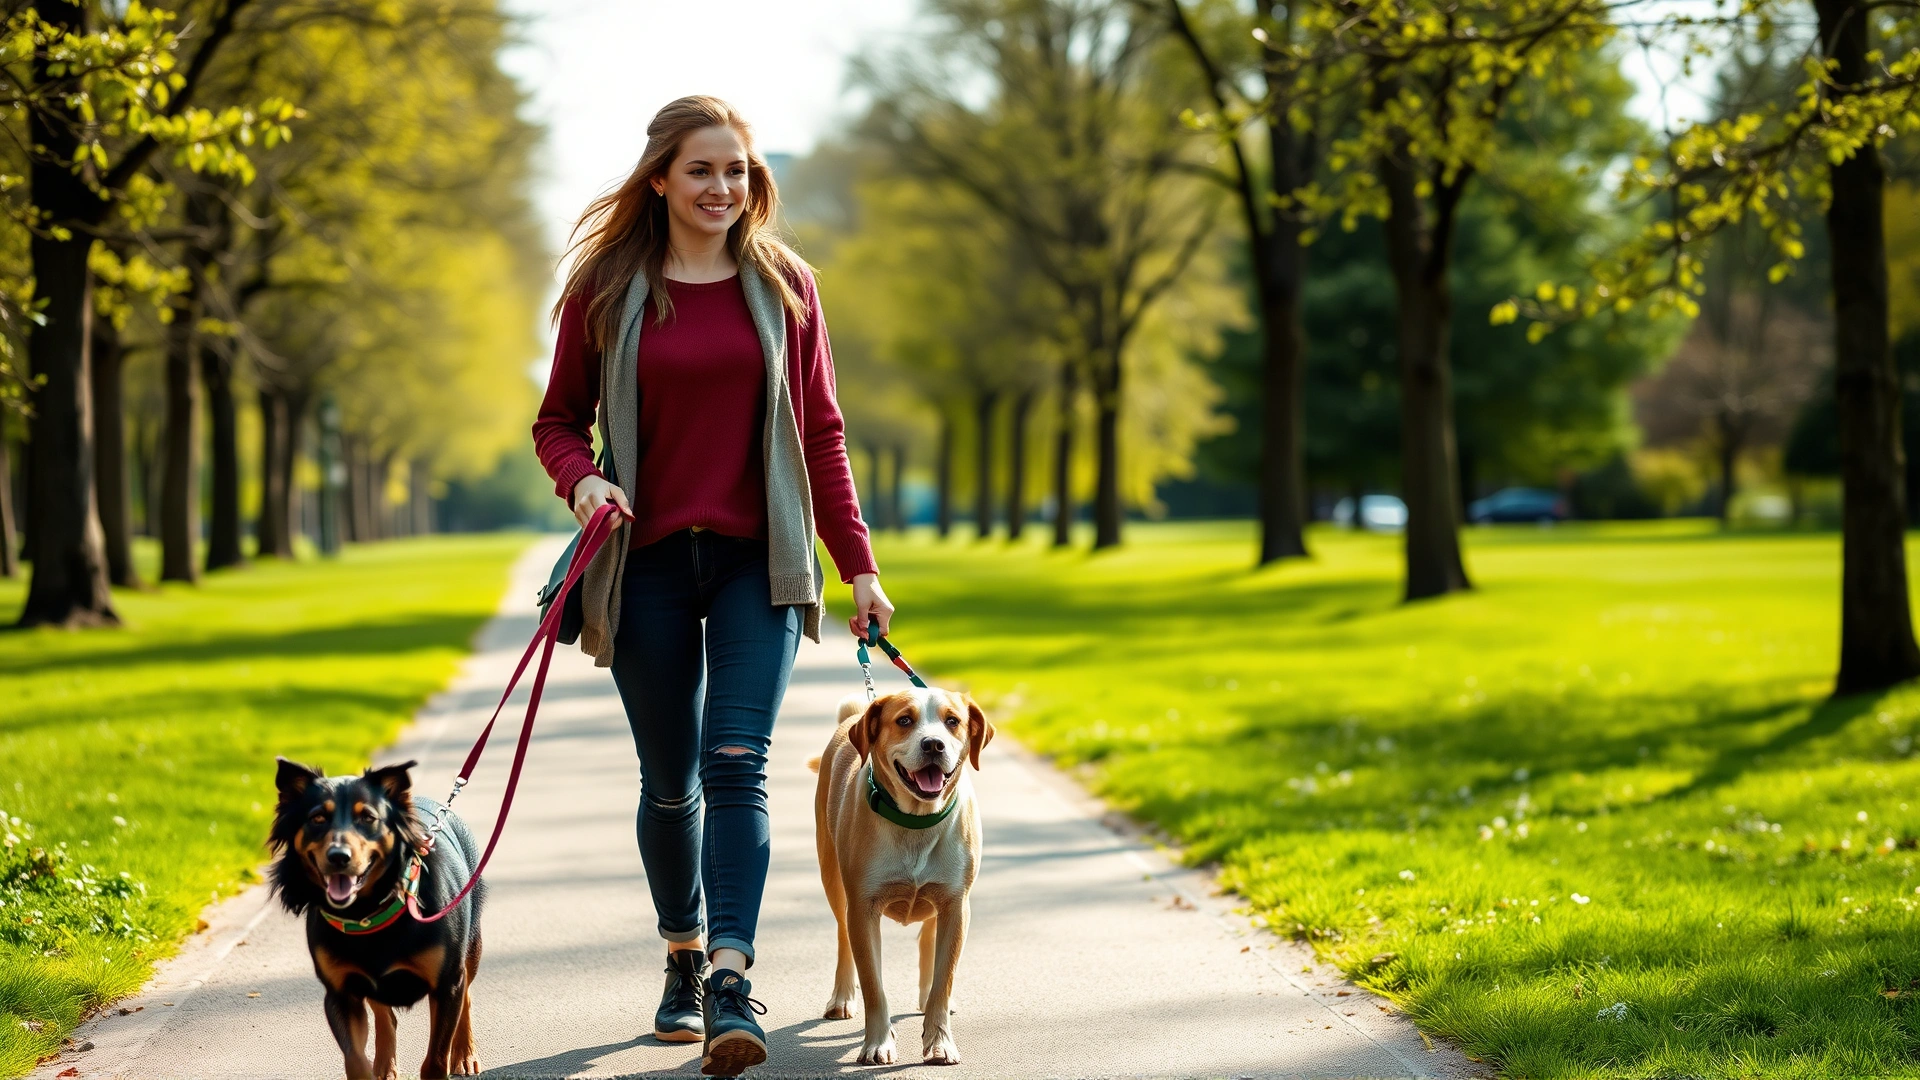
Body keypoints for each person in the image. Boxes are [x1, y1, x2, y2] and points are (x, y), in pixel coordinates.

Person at [533, 94, 894, 1078]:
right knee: (670, 780)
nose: (722, 188)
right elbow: (556, 421)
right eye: (701, 170)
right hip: (643, 560)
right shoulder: (606, 288)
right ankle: (682, 952)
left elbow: (821, 433)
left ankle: (731, 976)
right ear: (659, 177)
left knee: (737, 759)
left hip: (757, 562)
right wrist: (585, 479)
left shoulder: (786, 287)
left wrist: (856, 564)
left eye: (736, 170)